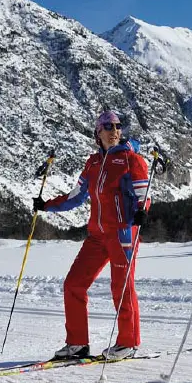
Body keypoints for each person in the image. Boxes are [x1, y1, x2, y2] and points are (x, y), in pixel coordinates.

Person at [35, 110, 150, 361]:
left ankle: (128, 343)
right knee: (74, 284)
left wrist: (141, 213)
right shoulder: (94, 163)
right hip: (97, 235)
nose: (114, 131)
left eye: (118, 126)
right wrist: (46, 205)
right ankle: (77, 344)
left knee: (122, 287)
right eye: (108, 127)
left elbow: (144, 196)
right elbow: (76, 197)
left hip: (122, 232)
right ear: (97, 133)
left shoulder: (132, 160)